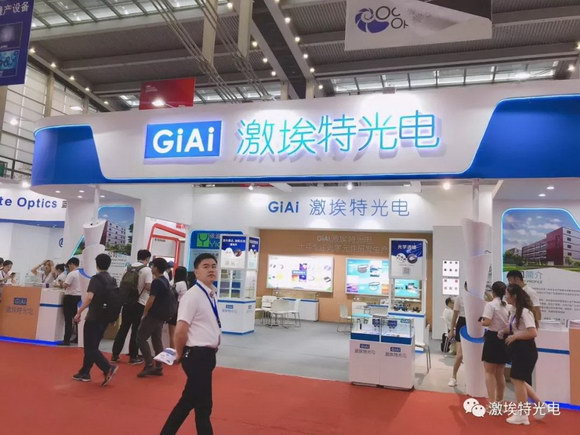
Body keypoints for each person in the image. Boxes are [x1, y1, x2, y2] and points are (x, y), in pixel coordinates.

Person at [161, 253, 221, 435]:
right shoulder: (192, 296)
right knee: (200, 404)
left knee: (193, 402)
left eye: (213, 266)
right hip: (196, 356)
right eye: (205, 266)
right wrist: (179, 353)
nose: (211, 270)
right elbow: (181, 329)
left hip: (207, 356)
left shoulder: (211, 293)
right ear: (196, 272)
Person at [501, 284, 546, 425]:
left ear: (514, 296)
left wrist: (515, 336)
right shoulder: (514, 310)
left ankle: (522, 414)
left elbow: (532, 332)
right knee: (519, 380)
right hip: (519, 349)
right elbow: (515, 328)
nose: (506, 297)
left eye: (507, 294)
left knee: (517, 380)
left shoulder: (525, 312)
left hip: (525, 350)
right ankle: (540, 405)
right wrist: (503, 331)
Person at [72, 254, 118, 386]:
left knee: (90, 347)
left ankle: (107, 368)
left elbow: (90, 297)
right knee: (93, 346)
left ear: (96, 264)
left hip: (94, 317)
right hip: (105, 317)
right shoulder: (112, 280)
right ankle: (85, 372)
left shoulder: (96, 279)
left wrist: (79, 312)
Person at [111, 249, 152, 364]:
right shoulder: (147, 270)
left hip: (127, 303)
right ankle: (133, 356)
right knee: (136, 330)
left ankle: (115, 354)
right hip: (140, 303)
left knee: (123, 328)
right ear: (147, 258)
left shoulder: (128, 268)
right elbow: (148, 286)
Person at [137, 257, 171, 378]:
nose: (151, 268)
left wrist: (145, 313)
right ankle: (158, 366)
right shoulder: (165, 281)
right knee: (156, 340)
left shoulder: (156, 282)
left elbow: (151, 300)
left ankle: (149, 365)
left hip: (153, 315)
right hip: (161, 316)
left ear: (156, 267)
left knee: (140, 338)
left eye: (153, 266)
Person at [480, 281, 510, 403]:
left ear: (493, 292)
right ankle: (500, 400)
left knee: (489, 372)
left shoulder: (490, 305)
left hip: (493, 338)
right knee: (500, 373)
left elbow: (487, 322)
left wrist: (481, 321)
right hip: (504, 338)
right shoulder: (507, 305)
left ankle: (492, 402)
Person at [59, 258, 82, 346]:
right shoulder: (82, 273)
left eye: (69, 266)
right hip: (79, 298)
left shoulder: (72, 274)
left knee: (68, 319)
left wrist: (61, 283)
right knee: (77, 319)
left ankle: (66, 340)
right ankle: (78, 339)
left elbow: (65, 285)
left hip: (70, 298)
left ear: (72, 264)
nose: (69, 268)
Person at [168, 266, 189, 349]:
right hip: (181, 310)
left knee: (172, 335)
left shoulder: (177, 284)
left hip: (174, 309)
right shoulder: (185, 284)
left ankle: (173, 353)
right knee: (178, 335)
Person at [448, 291, 465, 387]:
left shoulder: (479, 294)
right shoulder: (460, 297)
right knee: (460, 354)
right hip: (462, 323)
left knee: (474, 356)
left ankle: (472, 379)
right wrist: (451, 330)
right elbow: (455, 315)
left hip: (475, 324)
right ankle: (453, 377)